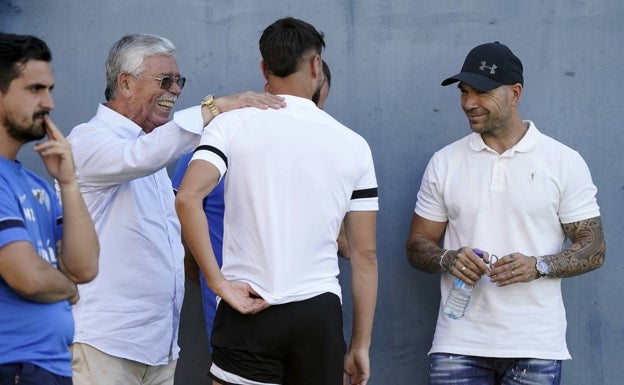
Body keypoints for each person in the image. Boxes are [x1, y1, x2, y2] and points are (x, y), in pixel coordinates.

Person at [65, 33, 285, 385]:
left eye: (178, 81)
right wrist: (217, 108)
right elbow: (140, 157)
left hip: (158, 350)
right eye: (164, 80)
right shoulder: (89, 140)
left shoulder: (149, 149)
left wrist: (221, 283)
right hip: (104, 347)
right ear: (125, 82)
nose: (175, 89)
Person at [176, 17, 379, 385]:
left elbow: (188, 198)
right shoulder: (354, 144)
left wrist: (218, 283)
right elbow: (364, 256)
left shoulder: (230, 124)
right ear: (316, 65)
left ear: (263, 68)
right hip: (318, 313)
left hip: (248, 305)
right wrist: (360, 344)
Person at [405, 41, 606, 385]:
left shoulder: (562, 161)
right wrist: (447, 259)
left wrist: (539, 265)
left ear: (515, 93)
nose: (469, 103)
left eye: (481, 91)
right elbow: (417, 243)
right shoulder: (445, 162)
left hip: (536, 346)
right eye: (464, 92)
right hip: (458, 343)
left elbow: (594, 247)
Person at [0, 33, 99, 384]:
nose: (49, 103)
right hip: (14, 366)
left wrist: (69, 183)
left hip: (50, 368)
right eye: (35, 89)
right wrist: (69, 290)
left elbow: (85, 267)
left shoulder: (37, 184)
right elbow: (27, 276)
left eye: (50, 89)